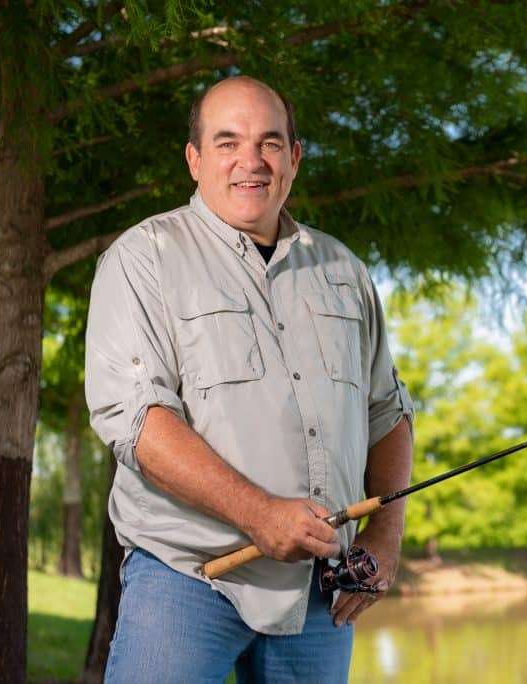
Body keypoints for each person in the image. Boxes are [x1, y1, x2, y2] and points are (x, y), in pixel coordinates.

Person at [84, 75, 414, 683]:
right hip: (186, 580)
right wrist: (259, 512)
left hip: (319, 597)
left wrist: (386, 535)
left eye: (269, 142)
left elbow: (386, 414)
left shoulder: (345, 270)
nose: (250, 161)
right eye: (228, 141)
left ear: (294, 158)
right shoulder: (141, 258)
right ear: (194, 159)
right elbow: (137, 422)